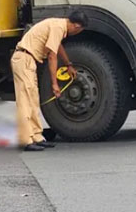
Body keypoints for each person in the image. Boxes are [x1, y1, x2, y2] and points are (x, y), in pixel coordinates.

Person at [12, 10, 88, 151]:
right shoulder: (58, 27)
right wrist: (54, 84)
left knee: (33, 99)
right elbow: (52, 56)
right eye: (79, 30)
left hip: (29, 60)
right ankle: (25, 140)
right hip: (24, 59)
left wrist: (68, 64)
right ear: (76, 26)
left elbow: (58, 47)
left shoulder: (58, 25)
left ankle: (36, 136)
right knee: (25, 100)